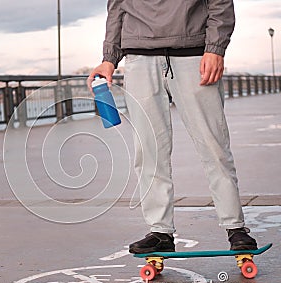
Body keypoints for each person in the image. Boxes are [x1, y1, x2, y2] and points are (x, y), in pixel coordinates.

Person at [87, 0, 258, 253]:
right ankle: (160, 231)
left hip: (193, 55)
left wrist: (216, 48)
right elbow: (117, 9)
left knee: (214, 146)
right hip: (140, 57)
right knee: (149, 151)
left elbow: (220, 3)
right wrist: (109, 58)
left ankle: (235, 227)